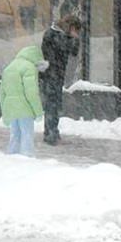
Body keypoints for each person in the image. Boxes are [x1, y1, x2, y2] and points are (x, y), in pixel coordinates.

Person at [41, 14, 81, 145]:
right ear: (70, 26)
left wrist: (75, 39)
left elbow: (73, 52)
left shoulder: (65, 36)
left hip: (58, 74)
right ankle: (49, 132)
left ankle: (53, 130)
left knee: (55, 103)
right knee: (51, 104)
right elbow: (58, 49)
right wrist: (70, 39)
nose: (76, 33)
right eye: (75, 29)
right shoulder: (52, 33)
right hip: (50, 73)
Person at [0, 44, 47, 156]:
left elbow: (2, 94)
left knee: (15, 135)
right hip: (25, 109)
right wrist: (38, 112)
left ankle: (12, 156)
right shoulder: (29, 67)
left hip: (11, 108)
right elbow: (31, 93)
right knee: (27, 135)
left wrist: (4, 112)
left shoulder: (9, 67)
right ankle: (27, 159)